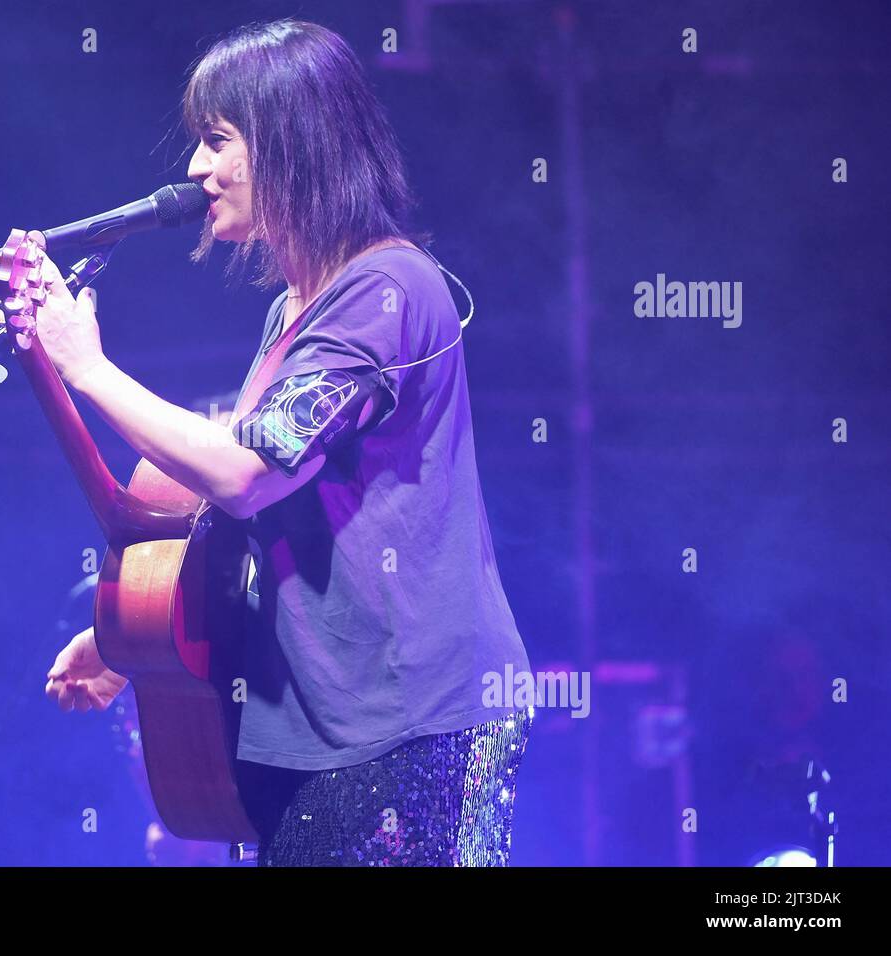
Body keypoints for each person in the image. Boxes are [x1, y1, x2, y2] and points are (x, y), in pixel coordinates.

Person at [39, 18, 533, 866]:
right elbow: (239, 522)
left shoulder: (390, 286)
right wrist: (133, 637)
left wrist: (88, 368)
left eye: (216, 140)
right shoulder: (293, 312)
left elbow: (246, 475)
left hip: (405, 726)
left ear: (289, 145)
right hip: (318, 723)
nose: (195, 169)